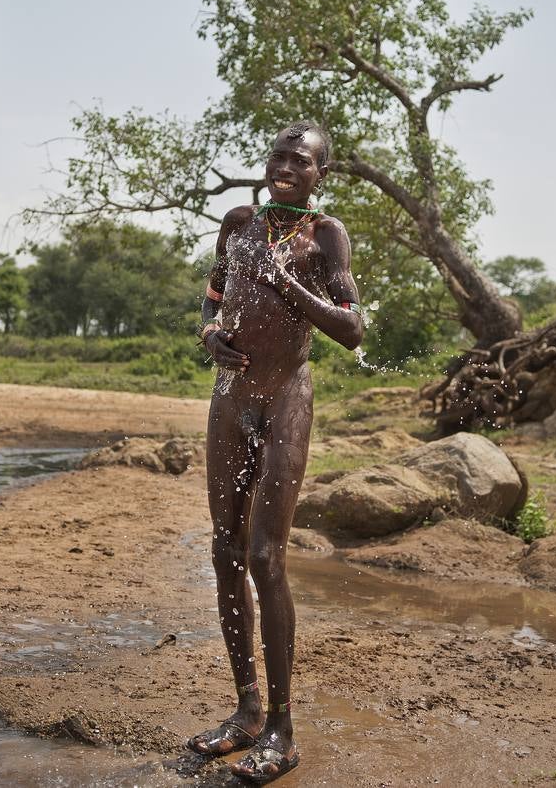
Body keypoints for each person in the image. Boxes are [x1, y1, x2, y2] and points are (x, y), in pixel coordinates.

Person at [187, 121, 363, 783]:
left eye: (302, 159)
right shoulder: (237, 223)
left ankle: (283, 731)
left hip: (286, 397)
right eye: (279, 155)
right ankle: (246, 712)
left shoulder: (325, 237)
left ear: (321, 174)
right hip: (230, 396)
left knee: (264, 554)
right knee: (224, 549)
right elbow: (209, 303)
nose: (287, 164)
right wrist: (209, 335)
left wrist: (285, 280)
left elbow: (351, 328)